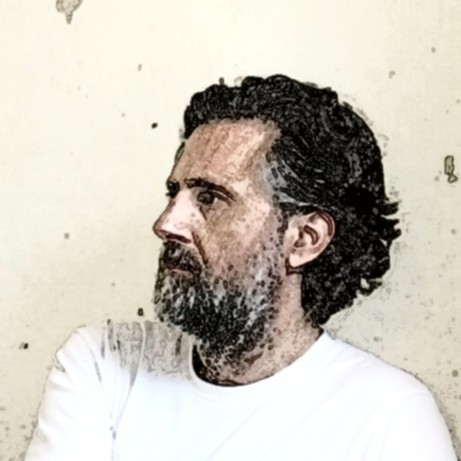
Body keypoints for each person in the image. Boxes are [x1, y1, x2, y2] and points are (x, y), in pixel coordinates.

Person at [25, 75, 457, 460]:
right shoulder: (106, 364)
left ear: (304, 239)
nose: (166, 224)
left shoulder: (388, 416)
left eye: (209, 198)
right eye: (174, 194)